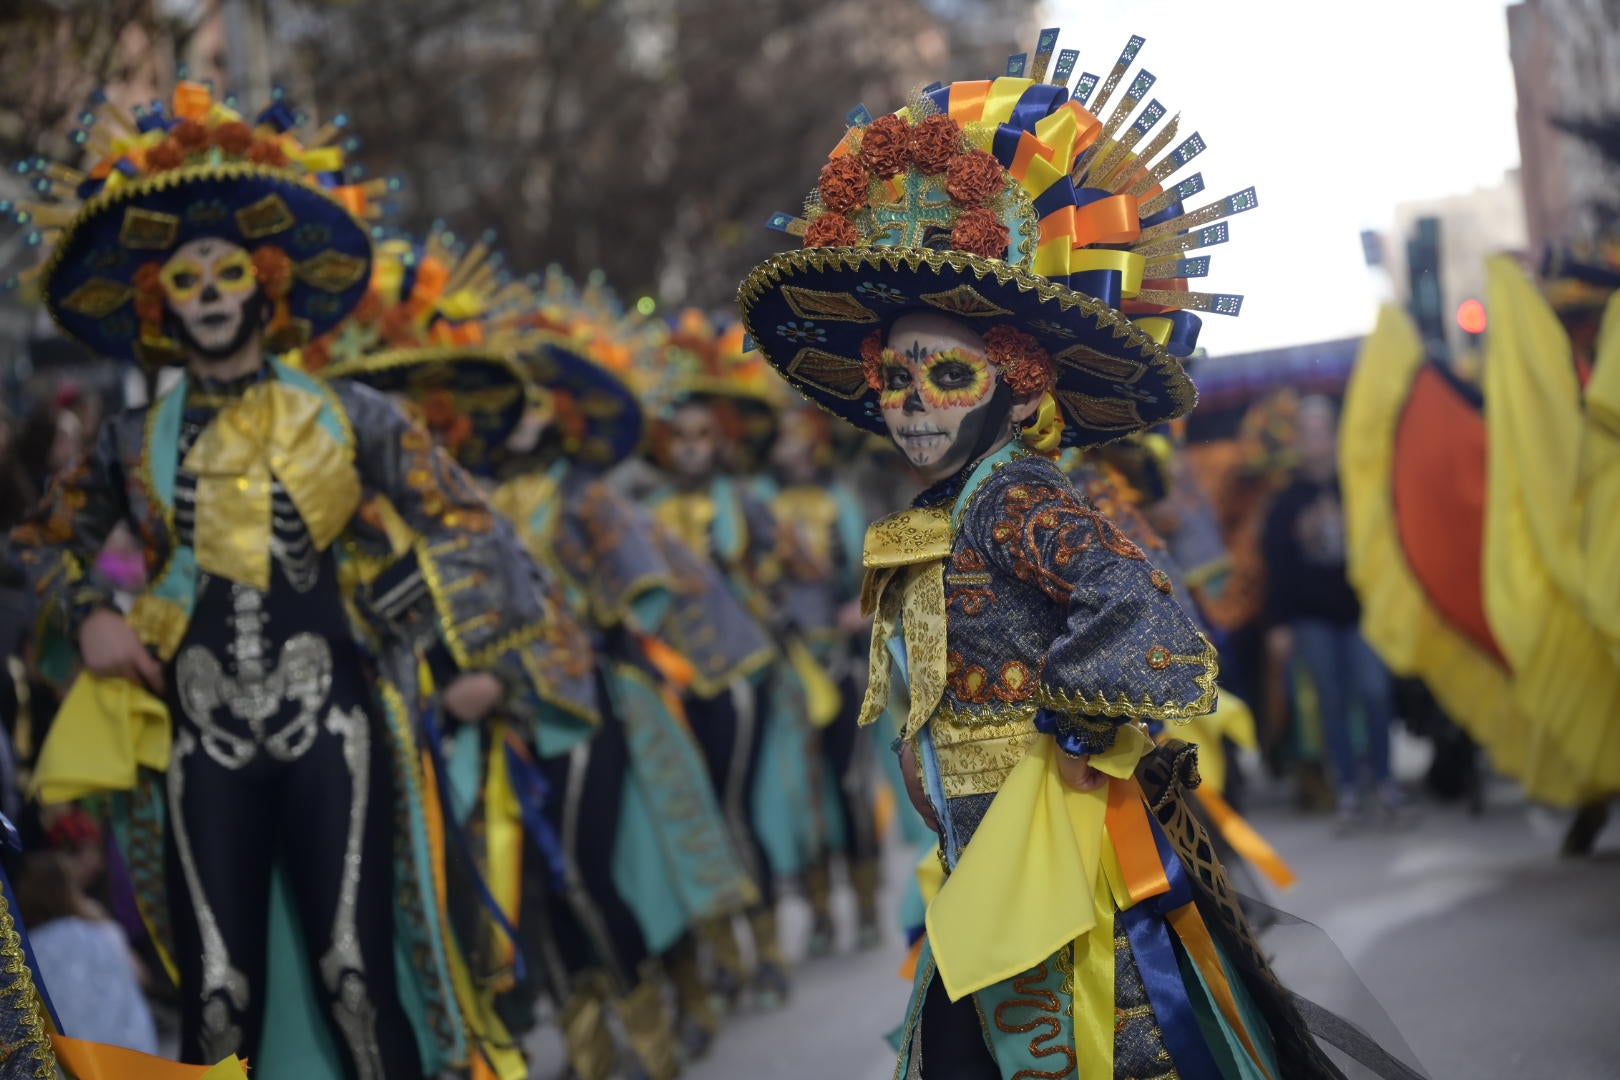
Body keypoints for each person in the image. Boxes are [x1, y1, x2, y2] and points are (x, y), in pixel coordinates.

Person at [739, 32, 1357, 1078]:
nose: (911, 404)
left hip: (1056, 852)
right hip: (984, 858)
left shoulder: (1013, 495)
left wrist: (1073, 718)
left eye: (946, 376)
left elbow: (1139, 597)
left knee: (1112, 1051)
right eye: (896, 377)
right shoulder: (954, 502)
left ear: (1016, 385)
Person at [9, 81, 594, 1080]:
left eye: (225, 270)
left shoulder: (353, 417)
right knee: (219, 995)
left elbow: (476, 527)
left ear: (263, 280)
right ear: (159, 300)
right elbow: (37, 550)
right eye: (184, 278)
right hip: (202, 741)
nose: (207, 294)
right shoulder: (124, 443)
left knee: (355, 976)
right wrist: (95, 613)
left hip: (335, 727)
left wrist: (401, 605)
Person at [1262, 396, 1403, 825]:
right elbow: (1278, 566)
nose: (1316, 441)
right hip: (1311, 617)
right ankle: (1346, 788)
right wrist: (1279, 624)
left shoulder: (1358, 487)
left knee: (1376, 691)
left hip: (1361, 610)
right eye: (1308, 432)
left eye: (1323, 430)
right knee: (1331, 701)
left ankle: (1384, 781)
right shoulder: (1285, 502)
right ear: (1298, 441)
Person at [20, 850, 158, 1055]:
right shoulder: (103, 933)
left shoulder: (26, 952)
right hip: (130, 1054)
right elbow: (142, 975)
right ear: (70, 892)